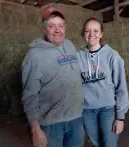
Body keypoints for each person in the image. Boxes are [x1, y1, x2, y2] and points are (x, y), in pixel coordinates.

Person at [21, 7, 84, 147]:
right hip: (51, 125)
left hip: (76, 119)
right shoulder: (34, 56)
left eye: (61, 26)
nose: (57, 30)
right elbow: (29, 95)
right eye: (51, 26)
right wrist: (35, 129)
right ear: (44, 29)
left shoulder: (70, 45)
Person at [77, 17, 129, 147]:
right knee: (95, 144)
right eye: (87, 31)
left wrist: (120, 117)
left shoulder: (112, 56)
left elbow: (121, 87)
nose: (91, 34)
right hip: (87, 110)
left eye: (95, 31)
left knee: (109, 144)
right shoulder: (78, 56)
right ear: (84, 34)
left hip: (107, 109)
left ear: (101, 34)